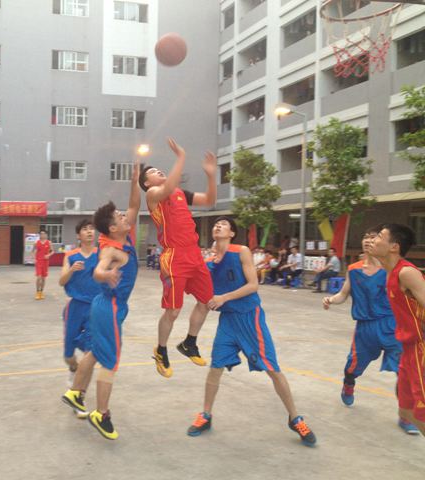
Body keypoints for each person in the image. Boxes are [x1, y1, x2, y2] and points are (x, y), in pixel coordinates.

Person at [187, 217, 317, 446]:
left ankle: (295, 418)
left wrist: (224, 297)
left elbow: (253, 285)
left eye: (223, 224)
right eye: (216, 224)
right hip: (228, 321)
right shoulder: (208, 262)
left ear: (232, 233)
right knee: (215, 367)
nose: (218, 226)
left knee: (273, 369)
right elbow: (201, 293)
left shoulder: (241, 251)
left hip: (250, 317)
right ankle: (206, 415)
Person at [62, 162, 140, 440]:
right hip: (110, 307)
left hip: (104, 305)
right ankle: (101, 414)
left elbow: (134, 205)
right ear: (113, 227)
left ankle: (75, 392)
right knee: (110, 362)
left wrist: (134, 182)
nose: (125, 216)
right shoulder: (112, 250)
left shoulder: (120, 235)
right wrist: (104, 275)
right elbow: (98, 270)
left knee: (95, 351)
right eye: (120, 216)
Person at [322, 228, 418, 434]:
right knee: (352, 367)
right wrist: (331, 299)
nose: (368, 240)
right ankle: (349, 384)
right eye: (365, 237)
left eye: (374, 237)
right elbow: (343, 294)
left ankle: (406, 416)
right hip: (365, 328)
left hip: (391, 326)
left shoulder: (394, 270)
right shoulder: (354, 269)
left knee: (404, 372)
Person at [139, 137, 217, 378]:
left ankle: (189, 343)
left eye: (158, 169)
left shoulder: (181, 193)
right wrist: (181, 157)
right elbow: (166, 188)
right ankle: (161, 350)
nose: (158, 171)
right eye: (152, 172)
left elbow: (210, 201)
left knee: (206, 302)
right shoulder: (153, 194)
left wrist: (211, 175)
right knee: (173, 310)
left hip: (194, 254)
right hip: (174, 257)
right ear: (146, 183)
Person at [369, 223, 425, 435]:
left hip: (421, 348)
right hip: (408, 349)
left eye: (379, 236)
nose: (372, 240)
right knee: (406, 411)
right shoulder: (389, 272)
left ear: (394, 246)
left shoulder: (406, 273)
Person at [58, 220, 100, 390]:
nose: (89, 232)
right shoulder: (71, 256)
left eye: (92, 229)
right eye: (85, 229)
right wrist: (71, 270)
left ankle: (79, 392)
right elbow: (61, 281)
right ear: (78, 235)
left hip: (95, 307)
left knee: (89, 353)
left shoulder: (102, 254)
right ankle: (73, 368)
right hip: (75, 307)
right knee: (68, 356)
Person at [34, 230, 53, 300]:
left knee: (43, 278)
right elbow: (34, 251)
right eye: (41, 234)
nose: (43, 235)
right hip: (39, 262)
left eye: (44, 234)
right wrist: (34, 258)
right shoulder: (36, 243)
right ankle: (37, 292)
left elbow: (52, 251)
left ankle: (41, 292)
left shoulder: (49, 242)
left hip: (45, 262)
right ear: (39, 235)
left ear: (46, 235)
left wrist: (48, 255)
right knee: (39, 277)